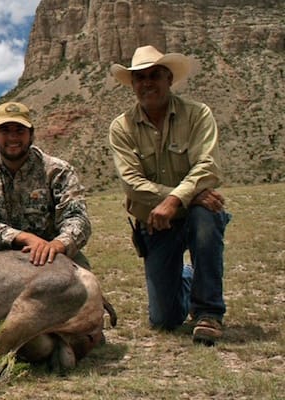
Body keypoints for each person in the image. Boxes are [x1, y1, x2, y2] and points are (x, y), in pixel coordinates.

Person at [108, 45, 231, 345]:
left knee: (206, 216)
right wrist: (184, 196)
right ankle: (186, 278)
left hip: (193, 213)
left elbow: (208, 165)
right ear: (133, 84)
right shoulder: (121, 127)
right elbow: (132, 183)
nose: (147, 83)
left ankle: (208, 313)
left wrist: (177, 201)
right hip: (154, 223)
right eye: (139, 78)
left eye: (154, 75)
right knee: (163, 319)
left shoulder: (198, 114)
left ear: (169, 79)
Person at [0, 102, 92, 268]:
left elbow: (77, 218)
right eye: (5, 130)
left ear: (31, 135)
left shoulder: (58, 170)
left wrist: (58, 245)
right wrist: (25, 238)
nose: (13, 137)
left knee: (82, 272)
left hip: (49, 251)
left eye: (20, 130)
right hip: (0, 250)